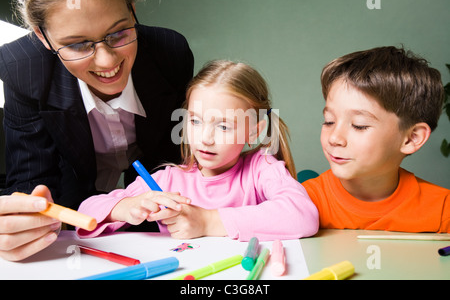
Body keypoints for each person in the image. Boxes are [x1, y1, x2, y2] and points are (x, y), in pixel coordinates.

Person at [0, 0, 193, 261]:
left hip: (153, 192)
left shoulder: (170, 52)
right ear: (42, 37)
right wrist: (20, 226)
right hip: (72, 190)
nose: (106, 62)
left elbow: (175, 156)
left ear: (132, 10)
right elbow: (32, 182)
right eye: (78, 45)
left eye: (118, 33)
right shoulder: (21, 67)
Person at [77, 60, 319, 241]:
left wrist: (207, 221)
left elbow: (303, 216)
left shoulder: (261, 168)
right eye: (195, 121)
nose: (205, 138)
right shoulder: (167, 181)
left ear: (255, 131)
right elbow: (85, 213)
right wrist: (124, 207)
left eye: (223, 126)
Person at [303, 46, 450, 233]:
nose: (334, 138)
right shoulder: (303, 202)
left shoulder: (443, 211)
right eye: (329, 121)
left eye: (359, 125)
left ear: (412, 138)